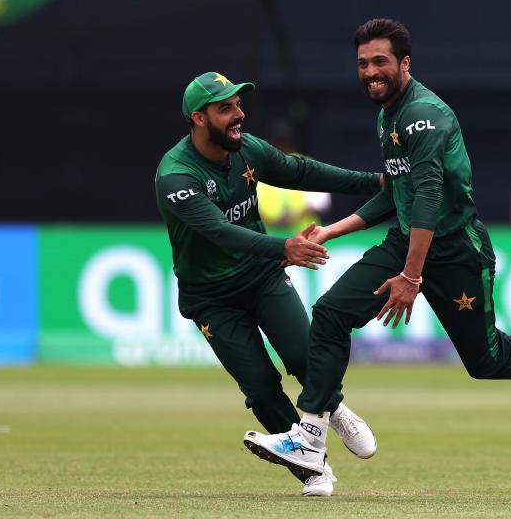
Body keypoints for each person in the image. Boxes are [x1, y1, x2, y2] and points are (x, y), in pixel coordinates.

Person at [242, 19, 511, 482]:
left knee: (488, 361)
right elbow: (397, 194)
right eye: (363, 63)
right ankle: (311, 438)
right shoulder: (388, 114)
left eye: (381, 62)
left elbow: (428, 195)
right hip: (408, 240)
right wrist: (332, 230)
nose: (370, 71)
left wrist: (412, 277)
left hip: (453, 249)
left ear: (405, 63)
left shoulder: (422, 115)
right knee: (331, 313)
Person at [155, 71, 380, 497]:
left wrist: (377, 182)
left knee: (302, 354)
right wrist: (284, 248)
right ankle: (314, 470)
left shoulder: (247, 149)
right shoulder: (176, 176)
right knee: (259, 387)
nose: (239, 115)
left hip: (260, 277)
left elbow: (300, 171)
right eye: (226, 109)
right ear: (198, 119)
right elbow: (220, 232)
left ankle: (333, 408)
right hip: (211, 298)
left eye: (239, 104)